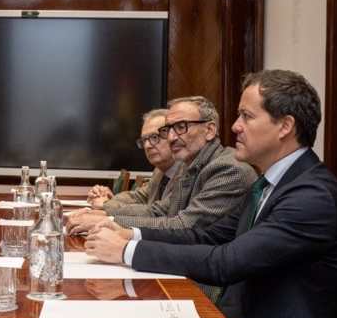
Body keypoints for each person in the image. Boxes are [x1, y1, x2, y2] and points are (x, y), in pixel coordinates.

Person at [85, 70, 337, 318]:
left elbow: (227, 262)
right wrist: (129, 235)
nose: (235, 127)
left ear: (285, 126)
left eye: (247, 116)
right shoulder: (270, 184)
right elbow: (206, 235)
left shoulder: (311, 196)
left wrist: (125, 253)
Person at [67, 96, 254, 233]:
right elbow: (161, 212)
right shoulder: (189, 165)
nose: (172, 137)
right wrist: (106, 216)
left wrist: (109, 220)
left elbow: (183, 225)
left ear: (209, 130)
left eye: (181, 127)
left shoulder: (229, 169)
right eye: (168, 129)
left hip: (201, 281)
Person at [84, 108, 179, 215]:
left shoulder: (187, 172)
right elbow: (138, 197)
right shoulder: (160, 171)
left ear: (173, 136)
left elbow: (158, 212)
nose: (147, 146)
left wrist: (105, 204)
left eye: (154, 137)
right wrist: (109, 198)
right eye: (144, 140)